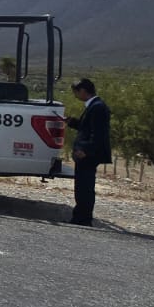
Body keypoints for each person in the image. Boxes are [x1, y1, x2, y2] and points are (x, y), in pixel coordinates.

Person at [65, 78, 111, 226]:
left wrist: (86, 150)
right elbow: (87, 127)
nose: (76, 96)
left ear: (83, 91)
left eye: (76, 92)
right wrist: (72, 122)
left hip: (88, 155)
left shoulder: (97, 107)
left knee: (85, 188)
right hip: (86, 154)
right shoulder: (94, 106)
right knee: (82, 187)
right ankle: (80, 217)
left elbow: (98, 134)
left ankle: (83, 219)